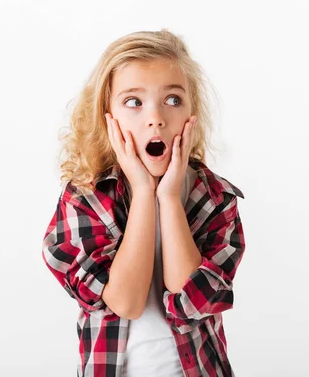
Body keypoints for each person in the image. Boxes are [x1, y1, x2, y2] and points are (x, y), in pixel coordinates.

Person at [41, 29, 246, 377]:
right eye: (134, 102)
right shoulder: (85, 198)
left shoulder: (215, 200)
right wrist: (142, 190)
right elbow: (126, 303)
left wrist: (167, 197)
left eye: (172, 100)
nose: (156, 118)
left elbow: (191, 304)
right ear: (109, 117)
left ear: (191, 114)